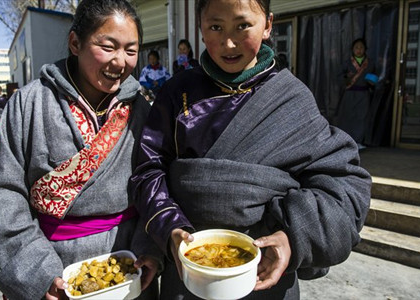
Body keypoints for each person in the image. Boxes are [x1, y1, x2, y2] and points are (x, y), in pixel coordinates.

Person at [129, 0, 372, 299]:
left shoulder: (292, 98)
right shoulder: (176, 92)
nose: (228, 42)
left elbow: (344, 183)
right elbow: (148, 170)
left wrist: (293, 237)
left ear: (268, 25)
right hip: (189, 268)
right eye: (215, 27)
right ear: (200, 28)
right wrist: (170, 228)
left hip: (265, 272)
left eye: (243, 26)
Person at [0, 1, 161, 299]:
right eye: (108, 47)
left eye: (131, 51)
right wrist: (36, 272)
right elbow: (6, 193)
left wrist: (150, 249)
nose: (120, 62)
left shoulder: (142, 108)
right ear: (75, 43)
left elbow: (155, 183)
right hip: (54, 264)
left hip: (129, 262)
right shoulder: (28, 104)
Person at [337, 38, 376, 150]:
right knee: (347, 117)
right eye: (356, 48)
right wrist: (346, 78)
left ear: (365, 49)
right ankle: (346, 141)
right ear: (352, 49)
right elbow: (339, 77)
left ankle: (358, 141)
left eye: (361, 48)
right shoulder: (347, 63)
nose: (359, 50)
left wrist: (372, 81)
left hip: (363, 93)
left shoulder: (370, 63)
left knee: (362, 117)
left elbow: (375, 77)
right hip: (349, 93)